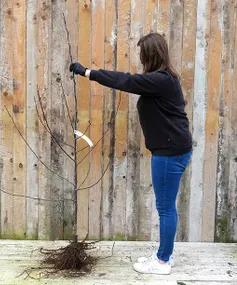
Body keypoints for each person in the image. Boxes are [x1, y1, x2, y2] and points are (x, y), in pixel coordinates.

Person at [69, 32, 193, 275]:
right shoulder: (164, 79)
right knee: (167, 206)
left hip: (169, 153)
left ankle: (163, 262)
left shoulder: (161, 80)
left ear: (150, 55)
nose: (140, 58)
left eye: (141, 53)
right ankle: (163, 255)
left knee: (166, 208)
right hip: (172, 148)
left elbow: (125, 81)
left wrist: (87, 73)